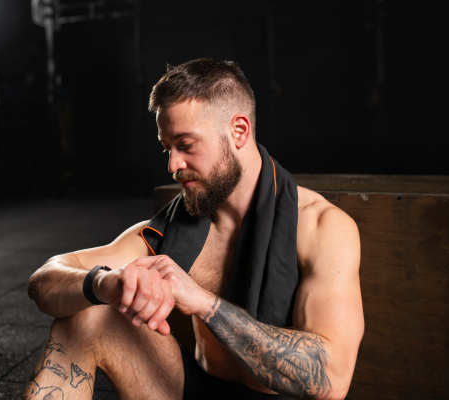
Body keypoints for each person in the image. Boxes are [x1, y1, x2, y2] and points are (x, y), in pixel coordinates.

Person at [22, 59, 364, 400]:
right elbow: (44, 279)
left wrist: (203, 302)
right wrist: (105, 284)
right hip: (198, 390)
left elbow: (331, 380)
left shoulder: (322, 227)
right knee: (86, 318)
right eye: (167, 148)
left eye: (185, 145)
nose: (172, 165)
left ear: (239, 131)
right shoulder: (172, 225)